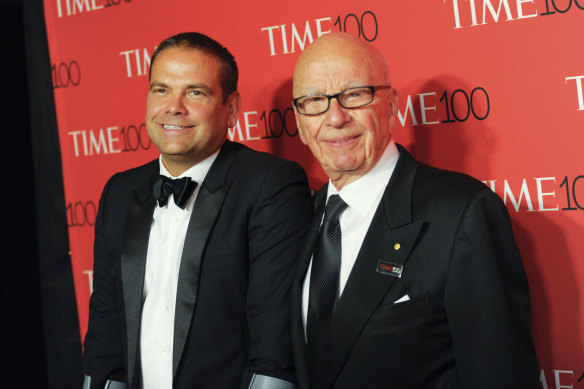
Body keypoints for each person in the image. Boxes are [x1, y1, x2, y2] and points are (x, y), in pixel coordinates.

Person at [289, 32, 539, 389]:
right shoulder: (301, 219)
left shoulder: (462, 213)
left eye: (355, 95)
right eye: (314, 100)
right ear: (299, 123)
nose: (335, 117)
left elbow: (501, 375)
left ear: (391, 105)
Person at [82, 32, 312, 389]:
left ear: (231, 108)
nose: (173, 107)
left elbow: (274, 348)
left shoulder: (270, 186)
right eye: (161, 90)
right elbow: (105, 335)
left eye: (195, 92)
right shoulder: (120, 191)